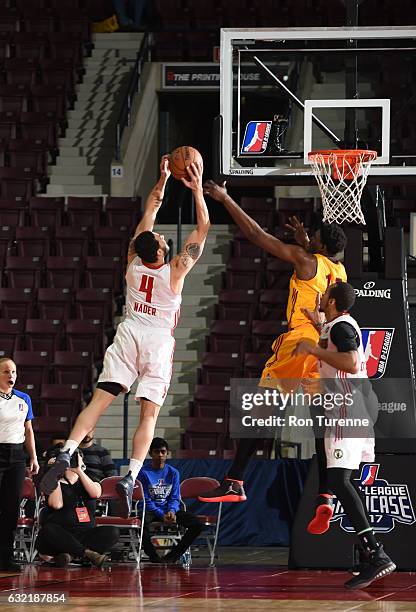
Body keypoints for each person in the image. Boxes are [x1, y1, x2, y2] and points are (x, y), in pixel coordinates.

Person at [41, 157, 210, 519]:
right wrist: (196, 189)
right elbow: (204, 227)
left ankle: (68, 451)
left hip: (129, 331)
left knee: (98, 402)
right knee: (149, 414)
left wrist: (162, 178)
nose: (163, 237)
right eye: (164, 240)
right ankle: (132, 475)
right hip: (157, 341)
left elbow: (150, 207)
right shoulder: (175, 272)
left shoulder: (133, 260)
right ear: (162, 252)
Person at [200, 180, 347, 504]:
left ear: (318, 245)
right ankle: (327, 494)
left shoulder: (305, 260)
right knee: (320, 425)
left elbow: (256, 235)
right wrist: (307, 240)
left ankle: (235, 480)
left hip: (299, 343)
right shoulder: (340, 270)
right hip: (323, 350)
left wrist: (226, 198)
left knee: (263, 413)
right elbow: (318, 257)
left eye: (314, 237)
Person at [292, 282, 396, 590]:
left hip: (347, 411)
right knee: (339, 478)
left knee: (338, 480)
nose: (321, 296)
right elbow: (339, 350)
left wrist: (312, 347)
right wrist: (318, 324)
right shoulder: (335, 325)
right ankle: (370, 553)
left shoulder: (341, 327)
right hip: (354, 407)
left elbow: (350, 362)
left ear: (334, 301)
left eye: (326, 296)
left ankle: (376, 553)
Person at [36, 447, 119, 568]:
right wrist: (55, 473)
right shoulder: (52, 481)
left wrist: (79, 471)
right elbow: (56, 504)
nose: (70, 461)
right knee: (48, 529)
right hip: (60, 535)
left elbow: (95, 493)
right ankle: (86, 554)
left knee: (113, 532)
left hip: (85, 534)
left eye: (74, 457)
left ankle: (71, 556)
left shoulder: (90, 477)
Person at [0, 357, 39, 572]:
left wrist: (32, 457)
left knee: (11, 508)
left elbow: (29, 430)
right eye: (6, 371)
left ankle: (6, 557)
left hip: (16, 456)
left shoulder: (24, 398)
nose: (11, 376)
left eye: (13, 371)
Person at [138, 438, 202, 564]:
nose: (160, 455)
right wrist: (161, 515)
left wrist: (172, 511)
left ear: (167, 453)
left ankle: (173, 556)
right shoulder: (143, 472)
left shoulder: (173, 473)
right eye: (157, 452)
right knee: (139, 524)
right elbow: (145, 499)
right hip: (150, 510)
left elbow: (174, 497)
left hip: (169, 511)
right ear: (150, 453)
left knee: (197, 525)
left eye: (163, 452)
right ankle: (153, 556)